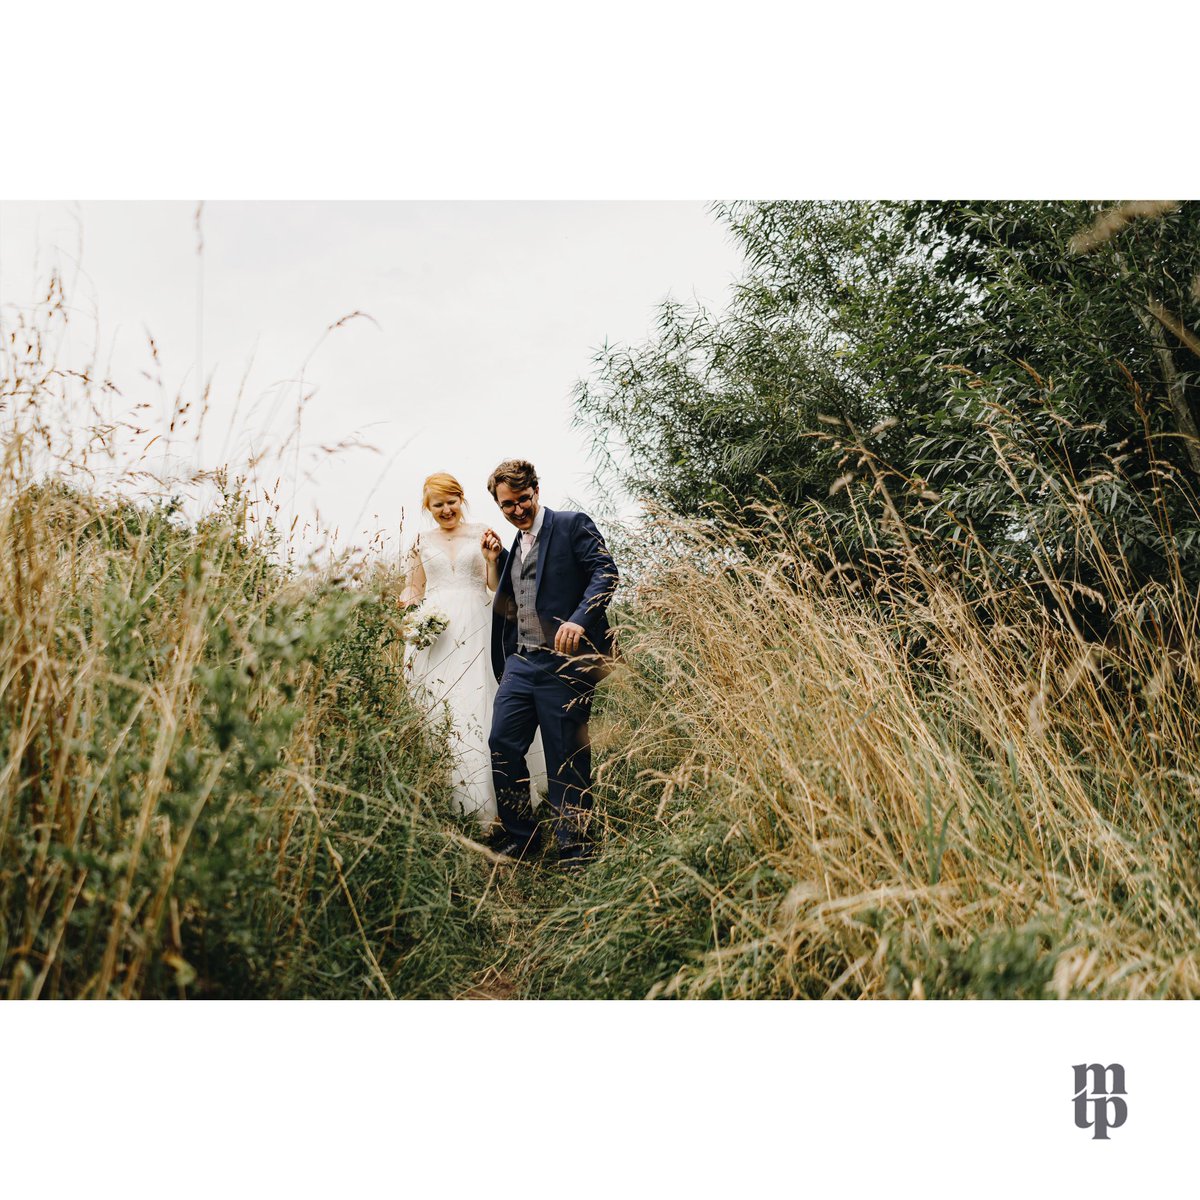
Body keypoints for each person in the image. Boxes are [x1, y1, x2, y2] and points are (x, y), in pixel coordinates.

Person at [481, 458, 618, 867]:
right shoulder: (515, 547)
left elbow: (605, 573)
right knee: (502, 743)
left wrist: (579, 621)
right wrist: (495, 557)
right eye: (508, 505)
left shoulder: (572, 525)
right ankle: (521, 837)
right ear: (499, 505)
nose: (517, 509)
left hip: (565, 664)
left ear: (536, 492)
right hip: (521, 664)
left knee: (565, 755)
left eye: (523, 499)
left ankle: (575, 847)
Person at [400, 472, 545, 832]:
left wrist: (492, 559)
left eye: (451, 502)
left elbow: (494, 586)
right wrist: (409, 609)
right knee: (440, 706)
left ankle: (500, 806)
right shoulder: (420, 540)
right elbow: (414, 588)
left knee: (480, 702)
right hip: (436, 634)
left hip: (477, 625)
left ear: (460, 500)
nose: (446, 510)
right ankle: (449, 803)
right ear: (427, 507)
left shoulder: (480, 531)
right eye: (438, 505)